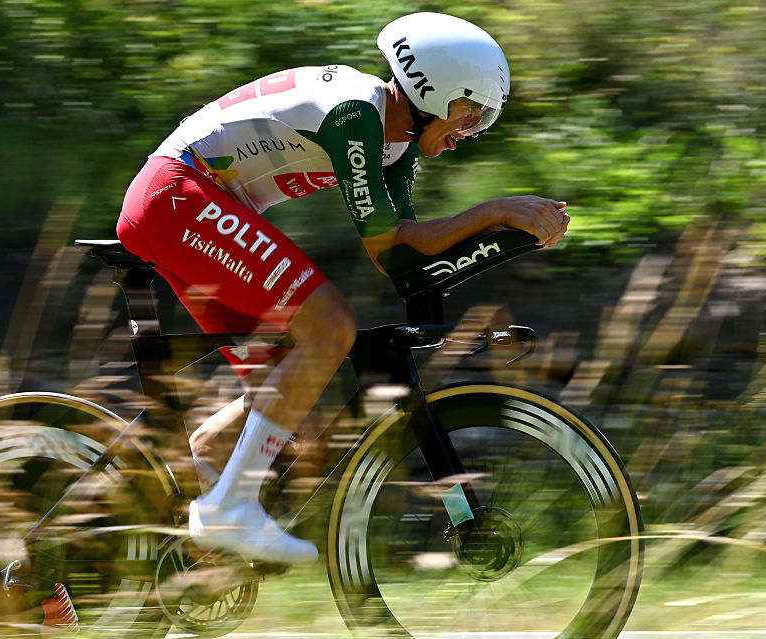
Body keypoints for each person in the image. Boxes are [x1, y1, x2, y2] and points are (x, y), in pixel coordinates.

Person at [115, 12, 569, 564]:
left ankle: (189, 513)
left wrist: (501, 234)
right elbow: (385, 238)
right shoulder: (357, 114)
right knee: (329, 326)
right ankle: (228, 509)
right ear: (432, 88)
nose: (466, 135)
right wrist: (493, 209)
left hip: (200, 207)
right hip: (178, 194)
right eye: (468, 115)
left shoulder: (396, 144)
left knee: (289, 404)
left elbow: (394, 252)